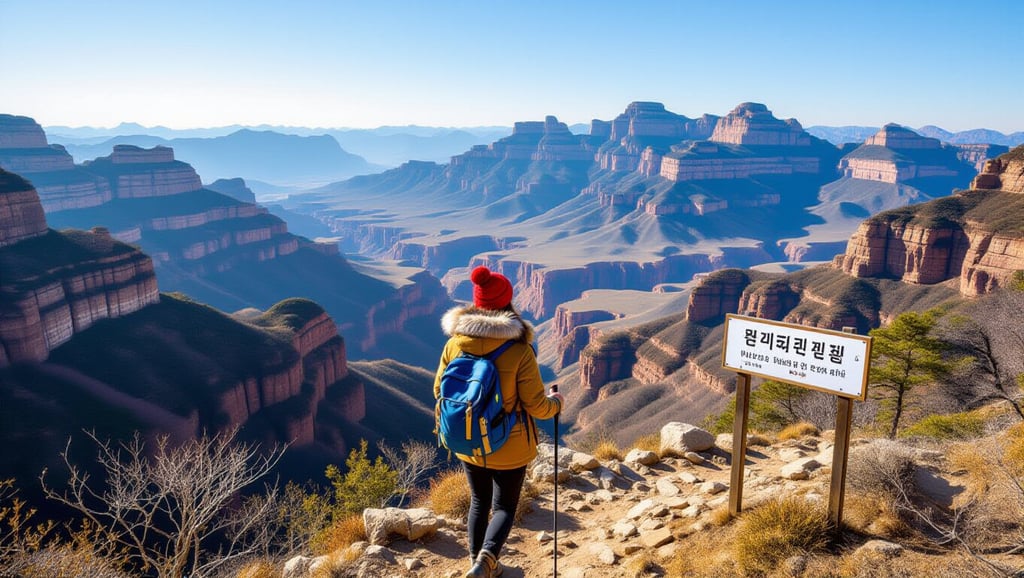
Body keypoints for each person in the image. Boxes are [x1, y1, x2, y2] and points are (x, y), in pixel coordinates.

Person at [434, 265, 564, 578]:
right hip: (510, 444)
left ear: (476, 304)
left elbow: (439, 389)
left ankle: (475, 563)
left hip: (468, 439)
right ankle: (486, 562)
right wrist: (556, 404)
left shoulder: (454, 344)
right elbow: (536, 405)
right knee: (504, 505)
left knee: (479, 501)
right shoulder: (519, 350)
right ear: (508, 303)